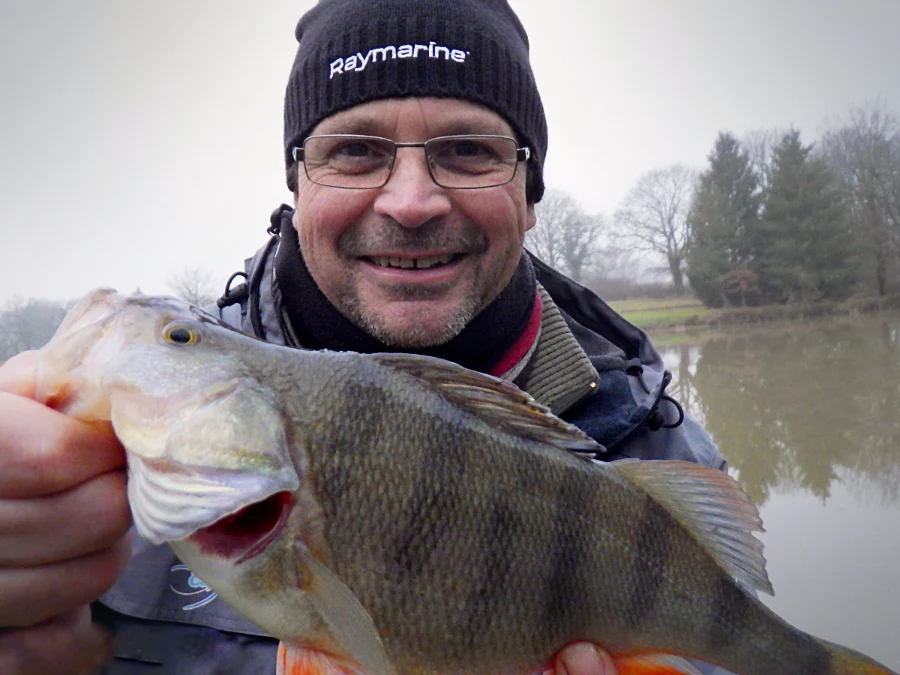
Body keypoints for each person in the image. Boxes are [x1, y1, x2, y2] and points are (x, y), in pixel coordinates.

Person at [0, 0, 730, 673]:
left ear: (529, 193)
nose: (411, 201)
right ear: (298, 183)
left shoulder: (666, 461)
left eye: (468, 150)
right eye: (354, 150)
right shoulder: (113, 457)